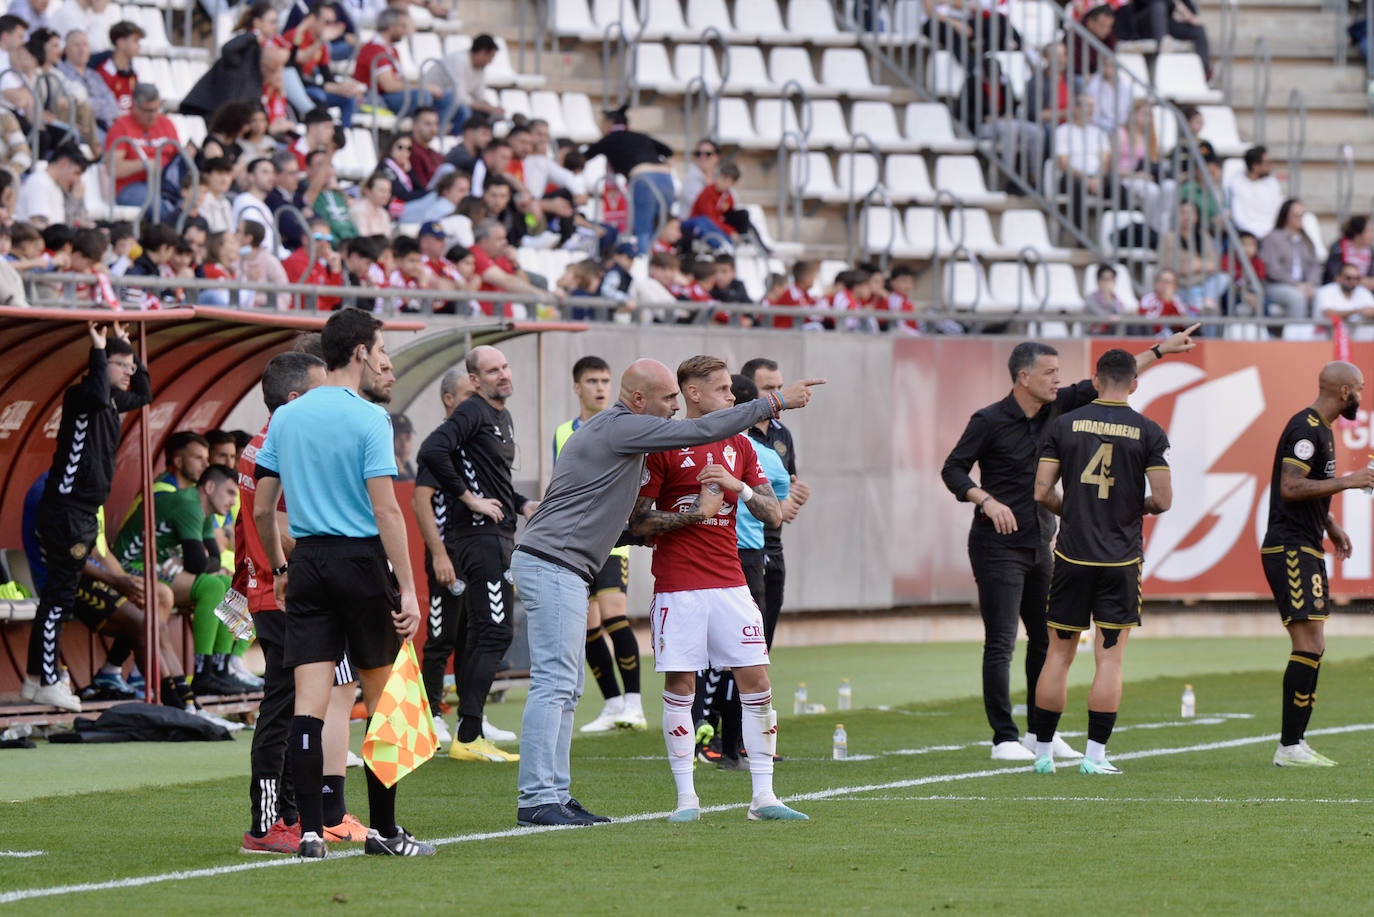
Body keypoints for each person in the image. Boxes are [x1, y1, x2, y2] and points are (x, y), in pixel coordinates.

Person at [512, 358, 823, 827]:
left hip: (569, 565)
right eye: (669, 399)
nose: (675, 408)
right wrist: (776, 401)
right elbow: (697, 438)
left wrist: (704, 508)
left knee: (566, 687)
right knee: (556, 684)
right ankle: (538, 797)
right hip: (557, 563)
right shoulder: (625, 428)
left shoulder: (625, 431)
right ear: (639, 400)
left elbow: (634, 526)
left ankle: (555, 792)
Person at [940, 331, 1197, 761]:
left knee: (1046, 641)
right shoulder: (988, 420)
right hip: (997, 543)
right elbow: (953, 469)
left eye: (1060, 372)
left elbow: (1113, 378)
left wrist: (1157, 351)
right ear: (1023, 377)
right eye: (1050, 373)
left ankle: (1040, 733)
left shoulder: (1060, 412)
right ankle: (1003, 735)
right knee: (1001, 641)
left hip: (1045, 541)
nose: (1059, 380)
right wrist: (984, 498)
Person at [253, 308, 433, 859]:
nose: (382, 358)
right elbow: (387, 510)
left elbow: (263, 509)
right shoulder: (368, 418)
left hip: (307, 563)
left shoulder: (287, 415)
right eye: (379, 347)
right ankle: (384, 833)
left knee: (307, 704)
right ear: (359, 351)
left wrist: (282, 569)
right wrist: (407, 586)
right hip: (360, 564)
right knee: (382, 702)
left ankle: (309, 833)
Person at [627, 356, 803, 822]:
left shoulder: (740, 448)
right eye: (723, 389)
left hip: (731, 583)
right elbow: (639, 521)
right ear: (694, 393)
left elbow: (774, 514)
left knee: (757, 683)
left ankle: (763, 797)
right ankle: (687, 799)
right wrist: (697, 514)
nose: (733, 397)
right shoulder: (663, 446)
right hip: (679, 586)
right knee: (682, 685)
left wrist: (737, 488)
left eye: (732, 389)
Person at [1030, 348, 1172, 776]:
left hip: (1072, 555)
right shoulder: (1148, 431)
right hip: (1120, 560)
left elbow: (1041, 492)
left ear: (1095, 380)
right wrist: (1130, 508)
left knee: (1057, 655)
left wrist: (1072, 511)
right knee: (1109, 659)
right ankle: (1094, 757)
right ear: (1134, 384)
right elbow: (1163, 500)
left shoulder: (1064, 424)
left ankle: (1041, 755)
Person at [21, 321, 149, 712]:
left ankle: (33, 679)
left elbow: (144, 393)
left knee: (60, 598)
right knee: (58, 598)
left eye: (130, 366)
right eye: (121, 366)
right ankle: (46, 678)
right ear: (100, 365)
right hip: (65, 512)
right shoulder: (83, 394)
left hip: (82, 514)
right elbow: (95, 390)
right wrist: (97, 348)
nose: (129, 373)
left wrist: (126, 347)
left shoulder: (112, 398)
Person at [415, 345, 534, 762]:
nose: (502, 374)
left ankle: (470, 729)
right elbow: (430, 451)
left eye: (505, 366)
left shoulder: (500, 416)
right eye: (491, 370)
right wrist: (470, 499)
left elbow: (495, 478)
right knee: (487, 632)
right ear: (475, 380)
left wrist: (521, 504)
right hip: (476, 539)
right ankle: (463, 731)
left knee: (479, 634)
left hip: (496, 534)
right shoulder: (473, 411)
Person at [1261, 362, 1372, 766]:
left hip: (1305, 544)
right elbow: (1290, 487)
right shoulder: (1305, 428)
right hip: (1290, 547)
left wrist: (1331, 524)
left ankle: (1295, 742)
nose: (1362, 395)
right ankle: (1289, 746)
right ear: (1344, 391)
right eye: (1359, 388)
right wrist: (1349, 480)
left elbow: (1306, 488)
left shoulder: (1321, 428)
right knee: (1308, 643)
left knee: (1315, 645)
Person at [554, 357, 645, 734]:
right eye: (592, 380)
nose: (600, 387)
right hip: (579, 541)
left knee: (613, 615)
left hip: (613, 539)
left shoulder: (621, 427)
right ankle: (612, 704)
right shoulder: (564, 431)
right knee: (588, 624)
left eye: (605, 380)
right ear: (577, 387)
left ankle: (635, 704)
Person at [413, 365, 477, 746]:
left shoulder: (476, 441)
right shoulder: (440, 444)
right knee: (441, 638)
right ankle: (432, 716)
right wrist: (438, 553)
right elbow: (421, 502)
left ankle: (473, 719)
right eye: (469, 397)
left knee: (475, 637)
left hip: (475, 554)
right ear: (449, 399)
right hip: (448, 555)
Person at [583, 105, 674, 255]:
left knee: (643, 229)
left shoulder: (610, 139)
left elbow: (585, 156)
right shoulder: (641, 136)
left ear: (608, 123)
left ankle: (646, 265)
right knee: (660, 228)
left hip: (644, 179)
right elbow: (668, 151)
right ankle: (661, 262)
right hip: (666, 178)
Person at [1261, 198, 1322, 322]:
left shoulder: (1306, 240)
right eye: (1296, 214)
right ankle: (1296, 338)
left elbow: (1314, 266)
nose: (1300, 218)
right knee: (1297, 297)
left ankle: (1317, 338)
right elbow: (1273, 269)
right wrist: (1296, 284)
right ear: (1286, 216)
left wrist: (1309, 284)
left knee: (1323, 295)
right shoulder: (1273, 238)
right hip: (1277, 286)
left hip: (1304, 285)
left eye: (1302, 214)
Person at [442, 32, 503, 131]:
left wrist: (493, 109)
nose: (490, 62)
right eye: (491, 57)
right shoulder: (459, 61)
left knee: (488, 117)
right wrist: (489, 108)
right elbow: (459, 97)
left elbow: (480, 97)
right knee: (464, 112)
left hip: (456, 103)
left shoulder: (480, 69)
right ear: (483, 52)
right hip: (440, 102)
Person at [1225, 145, 1283, 239]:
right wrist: (1259, 235)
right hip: (1249, 235)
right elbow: (1239, 218)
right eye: (1267, 163)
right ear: (1255, 166)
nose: (1270, 166)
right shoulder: (1237, 184)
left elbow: (1279, 209)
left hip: (1273, 233)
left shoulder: (1272, 183)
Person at [1314, 263, 1374, 339]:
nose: (1353, 281)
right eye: (1348, 278)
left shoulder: (1363, 292)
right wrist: (1359, 310)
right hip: (1327, 341)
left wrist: (1370, 313)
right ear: (1338, 278)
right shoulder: (1325, 291)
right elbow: (1328, 313)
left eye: (1357, 278)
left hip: (1357, 342)